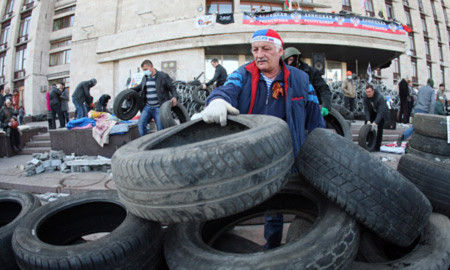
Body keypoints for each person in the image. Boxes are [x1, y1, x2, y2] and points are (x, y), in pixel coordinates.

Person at [200, 29, 325, 249]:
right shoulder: (243, 73)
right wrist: (216, 101)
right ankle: (217, 243)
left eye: (266, 49)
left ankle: (272, 247)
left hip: (286, 153)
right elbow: (227, 89)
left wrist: (320, 151)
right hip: (248, 152)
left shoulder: (301, 80)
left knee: (275, 204)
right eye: (255, 49)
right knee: (232, 198)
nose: (259, 54)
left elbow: (315, 119)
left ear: (280, 52)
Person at [131, 60, 178, 135]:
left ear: (151, 67)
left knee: (160, 128)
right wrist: (129, 90)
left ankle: (160, 145)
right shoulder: (145, 77)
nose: (145, 72)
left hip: (159, 107)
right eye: (143, 70)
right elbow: (140, 87)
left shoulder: (163, 76)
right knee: (141, 124)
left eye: (146, 69)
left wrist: (175, 97)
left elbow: (172, 88)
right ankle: (146, 142)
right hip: (147, 107)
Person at [282, 47, 332, 116]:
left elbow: (323, 89)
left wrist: (326, 106)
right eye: (287, 61)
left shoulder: (312, 72)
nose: (289, 63)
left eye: (291, 60)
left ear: (297, 59)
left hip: (311, 109)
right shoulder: (283, 74)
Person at [396, 79, 436, 146]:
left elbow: (417, 99)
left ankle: (409, 140)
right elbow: (432, 103)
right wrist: (431, 114)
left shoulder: (421, 89)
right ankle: (405, 137)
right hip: (425, 111)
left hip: (417, 109)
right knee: (420, 128)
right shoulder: (432, 91)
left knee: (415, 126)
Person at [363, 85, 388, 151]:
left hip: (382, 112)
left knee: (380, 128)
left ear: (373, 91)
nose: (368, 93)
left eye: (369, 92)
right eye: (367, 92)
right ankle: (367, 141)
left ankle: (377, 147)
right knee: (366, 123)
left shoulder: (379, 98)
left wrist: (375, 122)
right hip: (373, 111)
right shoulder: (365, 97)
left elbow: (380, 112)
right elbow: (366, 110)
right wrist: (368, 120)